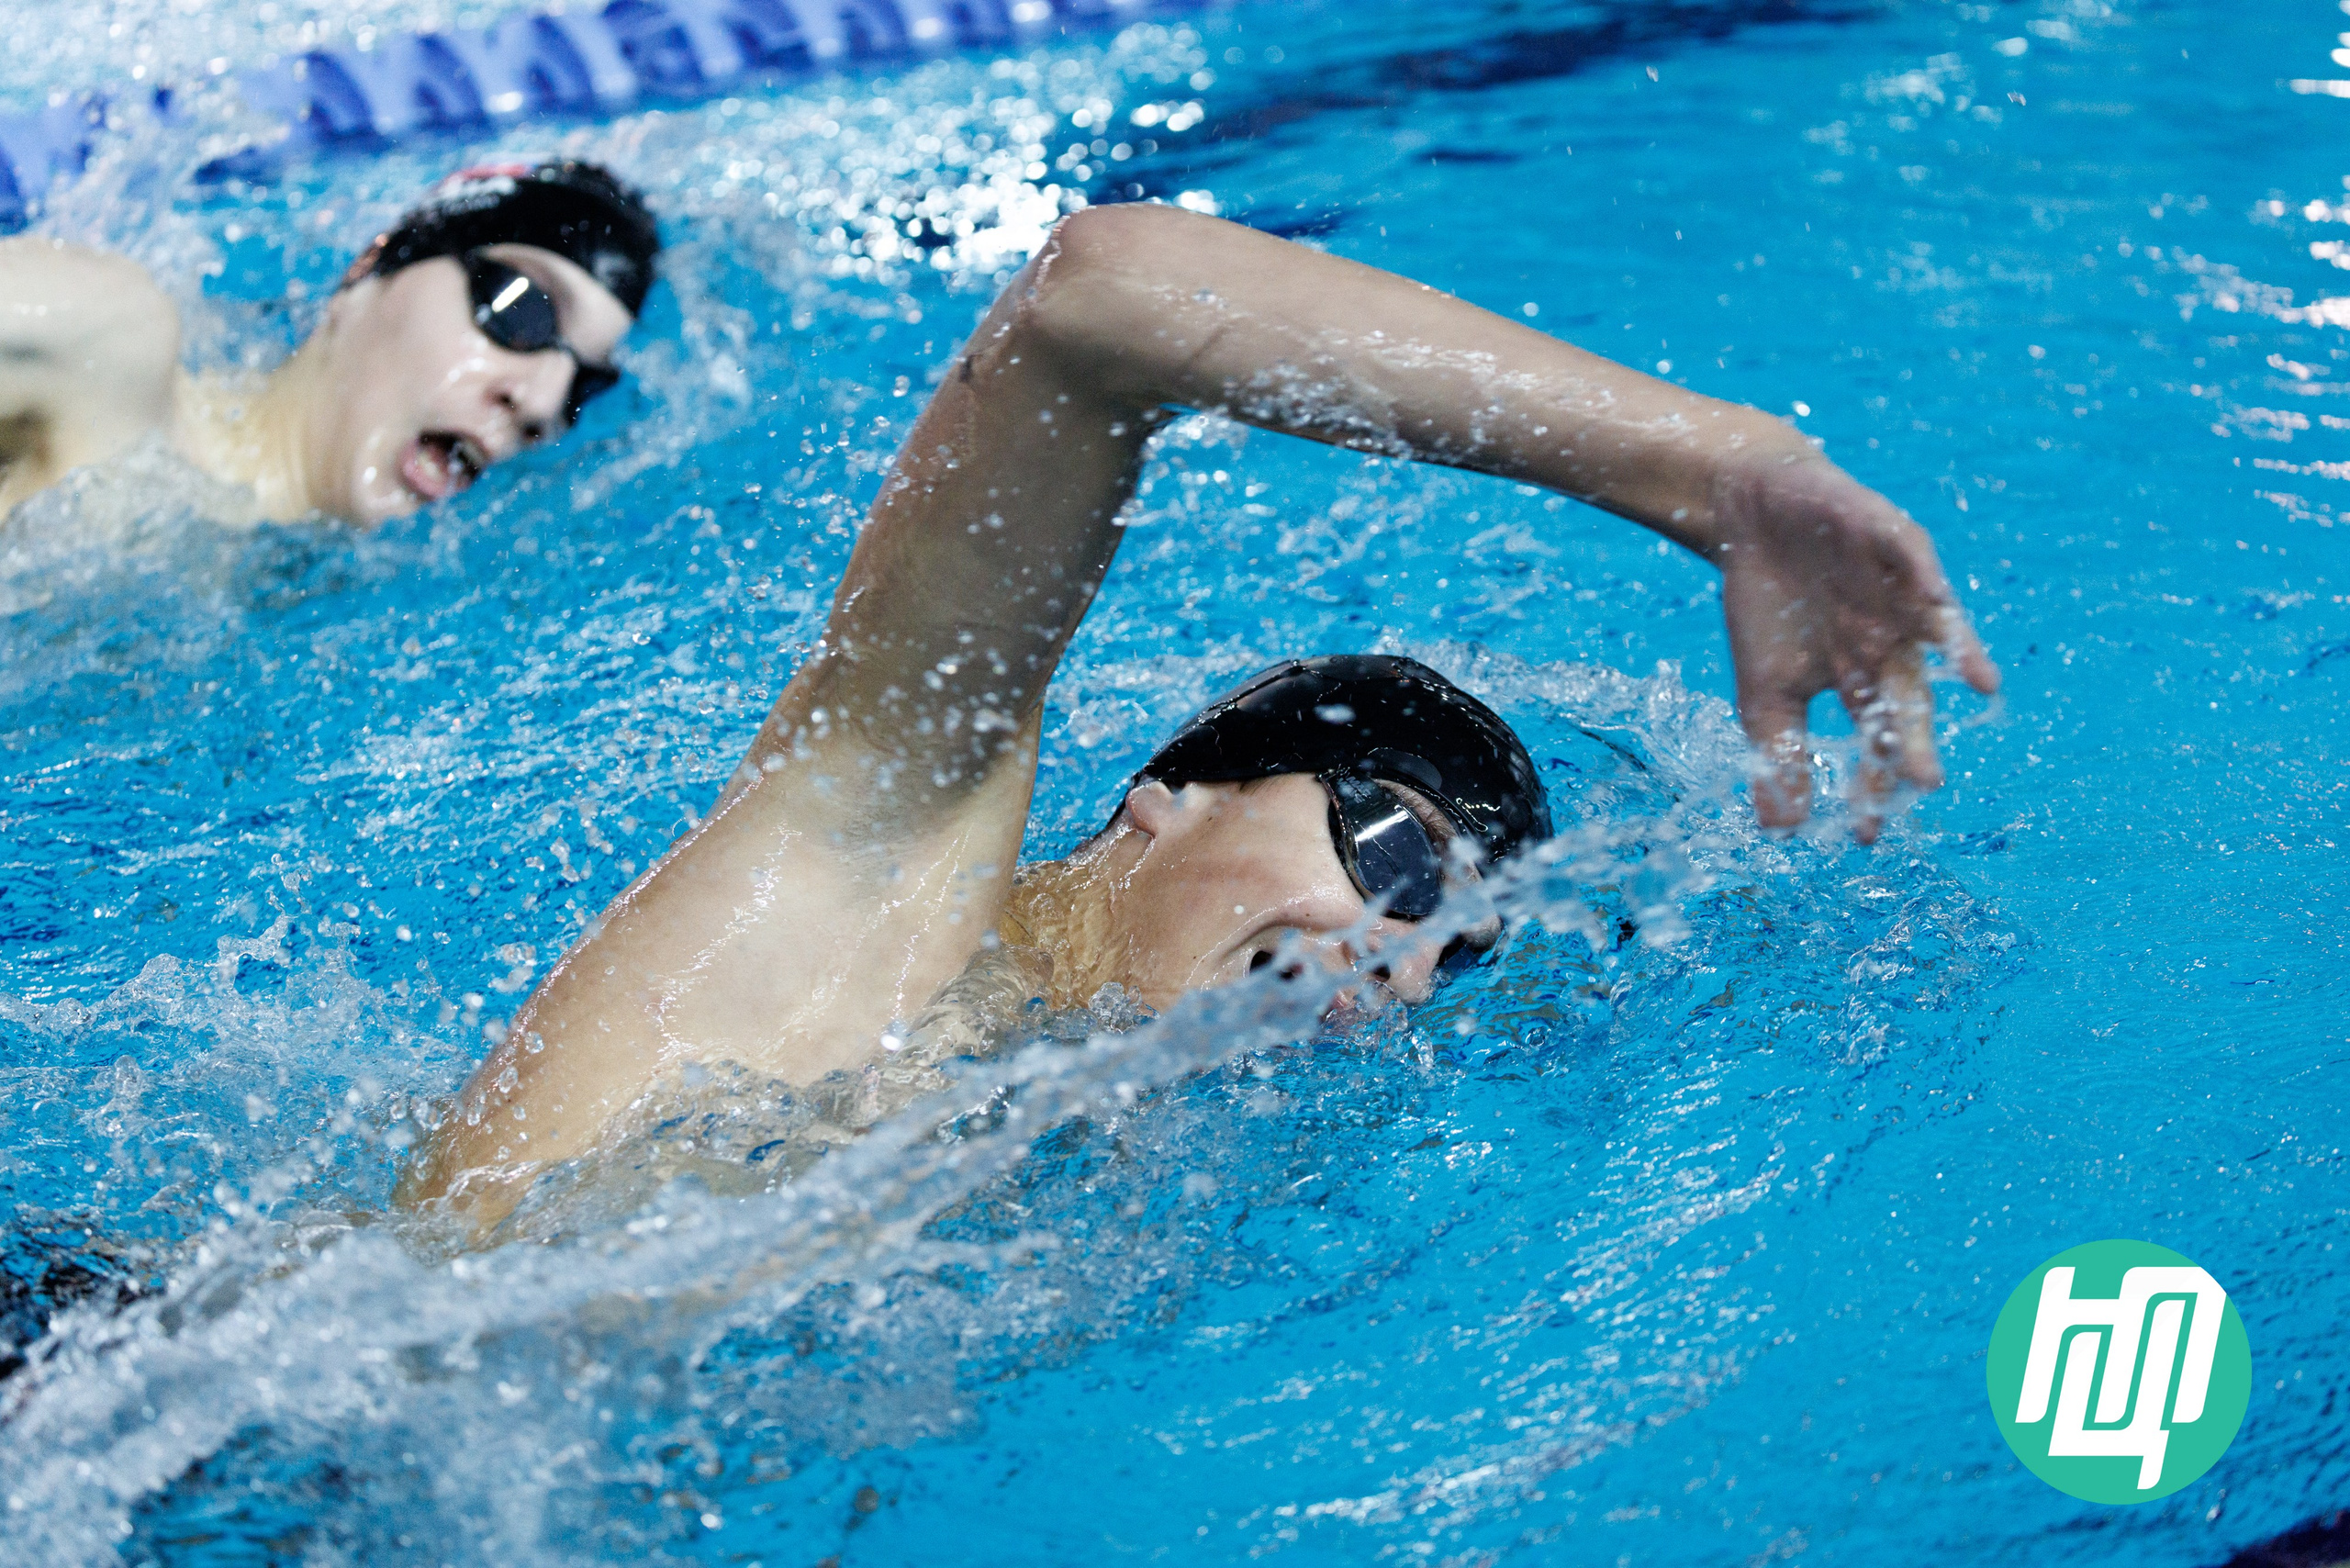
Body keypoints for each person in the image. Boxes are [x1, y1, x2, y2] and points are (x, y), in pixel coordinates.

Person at [396, 201, 1999, 1230]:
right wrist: (1721, 472)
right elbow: (1101, 300)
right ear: (1168, 798)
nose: (1399, 961)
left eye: (1448, 955)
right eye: (1399, 860)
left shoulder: (1058, 1204)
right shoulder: (863, 885)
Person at [0, 159, 658, 523]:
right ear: (367, 274)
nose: (541, 402)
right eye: (523, 310)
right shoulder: (108, 349)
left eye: (582, 385)